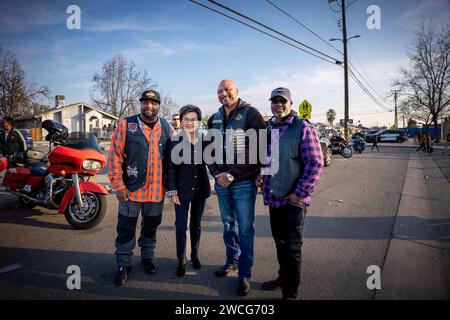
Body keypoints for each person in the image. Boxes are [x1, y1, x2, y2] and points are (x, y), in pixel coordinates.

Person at [257, 88, 323, 300]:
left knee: (292, 247)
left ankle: (290, 292)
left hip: (293, 200)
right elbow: (270, 159)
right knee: (280, 242)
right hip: (273, 198)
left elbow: (315, 163)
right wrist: (262, 177)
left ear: (291, 103)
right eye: (274, 101)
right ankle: (283, 277)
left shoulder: (302, 127)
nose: (278, 105)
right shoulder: (270, 128)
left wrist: (298, 194)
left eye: (282, 101)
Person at [108, 89, 173, 286]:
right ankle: (123, 264)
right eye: (145, 102)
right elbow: (114, 157)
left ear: (159, 105)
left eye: (153, 103)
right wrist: (118, 185)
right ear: (141, 104)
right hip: (131, 190)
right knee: (126, 228)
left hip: (156, 191)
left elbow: (172, 160)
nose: (149, 106)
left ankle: (147, 258)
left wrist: (172, 187)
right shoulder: (126, 125)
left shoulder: (166, 127)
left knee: (151, 227)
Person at [207, 79, 266, 296]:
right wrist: (216, 173)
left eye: (228, 90)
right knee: (227, 224)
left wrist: (232, 174)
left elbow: (258, 148)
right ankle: (231, 261)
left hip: (242, 182)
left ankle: (244, 273)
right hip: (222, 183)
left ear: (237, 92)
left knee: (245, 228)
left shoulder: (251, 113)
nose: (224, 94)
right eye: (220, 91)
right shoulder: (214, 118)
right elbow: (208, 149)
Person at [166, 105, 211, 277]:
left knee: (196, 225)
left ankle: (195, 255)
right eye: (186, 119)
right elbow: (170, 169)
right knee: (180, 226)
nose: (189, 123)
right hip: (181, 190)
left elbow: (214, 163)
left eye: (193, 119)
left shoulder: (205, 141)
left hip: (200, 190)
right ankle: (181, 259)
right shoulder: (174, 142)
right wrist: (172, 191)